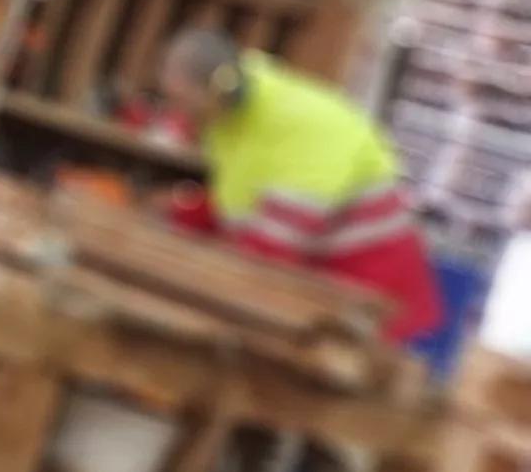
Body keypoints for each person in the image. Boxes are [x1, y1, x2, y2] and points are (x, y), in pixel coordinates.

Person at [151, 27, 442, 345]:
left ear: (215, 89)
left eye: (181, 101)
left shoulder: (299, 127)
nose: (177, 114)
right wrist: (183, 214)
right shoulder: (229, 121)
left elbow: (269, 254)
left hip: (374, 301)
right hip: (326, 296)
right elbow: (241, 200)